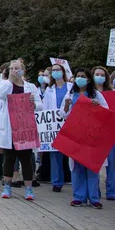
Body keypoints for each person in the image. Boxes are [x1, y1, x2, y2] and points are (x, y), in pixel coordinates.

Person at [0, 59, 43, 200]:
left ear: (23, 70)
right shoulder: (5, 85)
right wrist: (9, 80)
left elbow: (40, 105)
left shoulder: (30, 86)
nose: (15, 70)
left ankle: (28, 189)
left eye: (17, 68)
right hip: (10, 127)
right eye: (12, 68)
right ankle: (7, 187)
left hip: (24, 127)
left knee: (26, 158)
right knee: (9, 158)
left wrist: (34, 104)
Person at [60, 68, 109, 208]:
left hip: (91, 134)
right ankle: (78, 197)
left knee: (91, 166)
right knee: (77, 166)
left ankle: (94, 197)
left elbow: (106, 111)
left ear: (88, 80)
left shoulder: (97, 95)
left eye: (83, 76)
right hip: (75, 134)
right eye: (77, 76)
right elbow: (62, 115)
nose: (79, 78)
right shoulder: (70, 94)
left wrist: (97, 106)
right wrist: (66, 106)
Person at [92, 66, 115, 200]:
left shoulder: (113, 93)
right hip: (95, 132)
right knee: (96, 163)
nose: (99, 77)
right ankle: (95, 191)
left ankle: (111, 192)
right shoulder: (90, 93)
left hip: (111, 132)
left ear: (106, 78)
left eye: (102, 74)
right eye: (96, 74)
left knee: (112, 163)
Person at [44, 62, 72, 193]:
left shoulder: (71, 87)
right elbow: (45, 109)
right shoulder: (49, 90)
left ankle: (73, 178)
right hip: (55, 123)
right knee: (55, 154)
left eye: (58, 70)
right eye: (53, 70)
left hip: (70, 121)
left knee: (72, 152)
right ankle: (56, 182)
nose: (56, 72)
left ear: (63, 72)